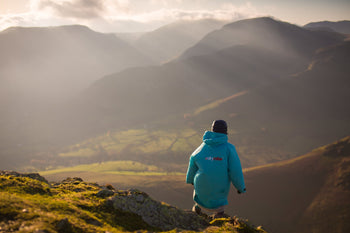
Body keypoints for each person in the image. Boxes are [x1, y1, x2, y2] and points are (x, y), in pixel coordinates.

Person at [186, 120, 246, 217]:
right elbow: (236, 171)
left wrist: (190, 179)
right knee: (218, 203)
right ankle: (219, 215)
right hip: (218, 196)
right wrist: (241, 188)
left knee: (200, 190)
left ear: (212, 130)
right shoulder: (229, 148)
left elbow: (192, 160)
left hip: (200, 191)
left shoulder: (202, 147)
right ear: (226, 132)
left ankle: (197, 208)